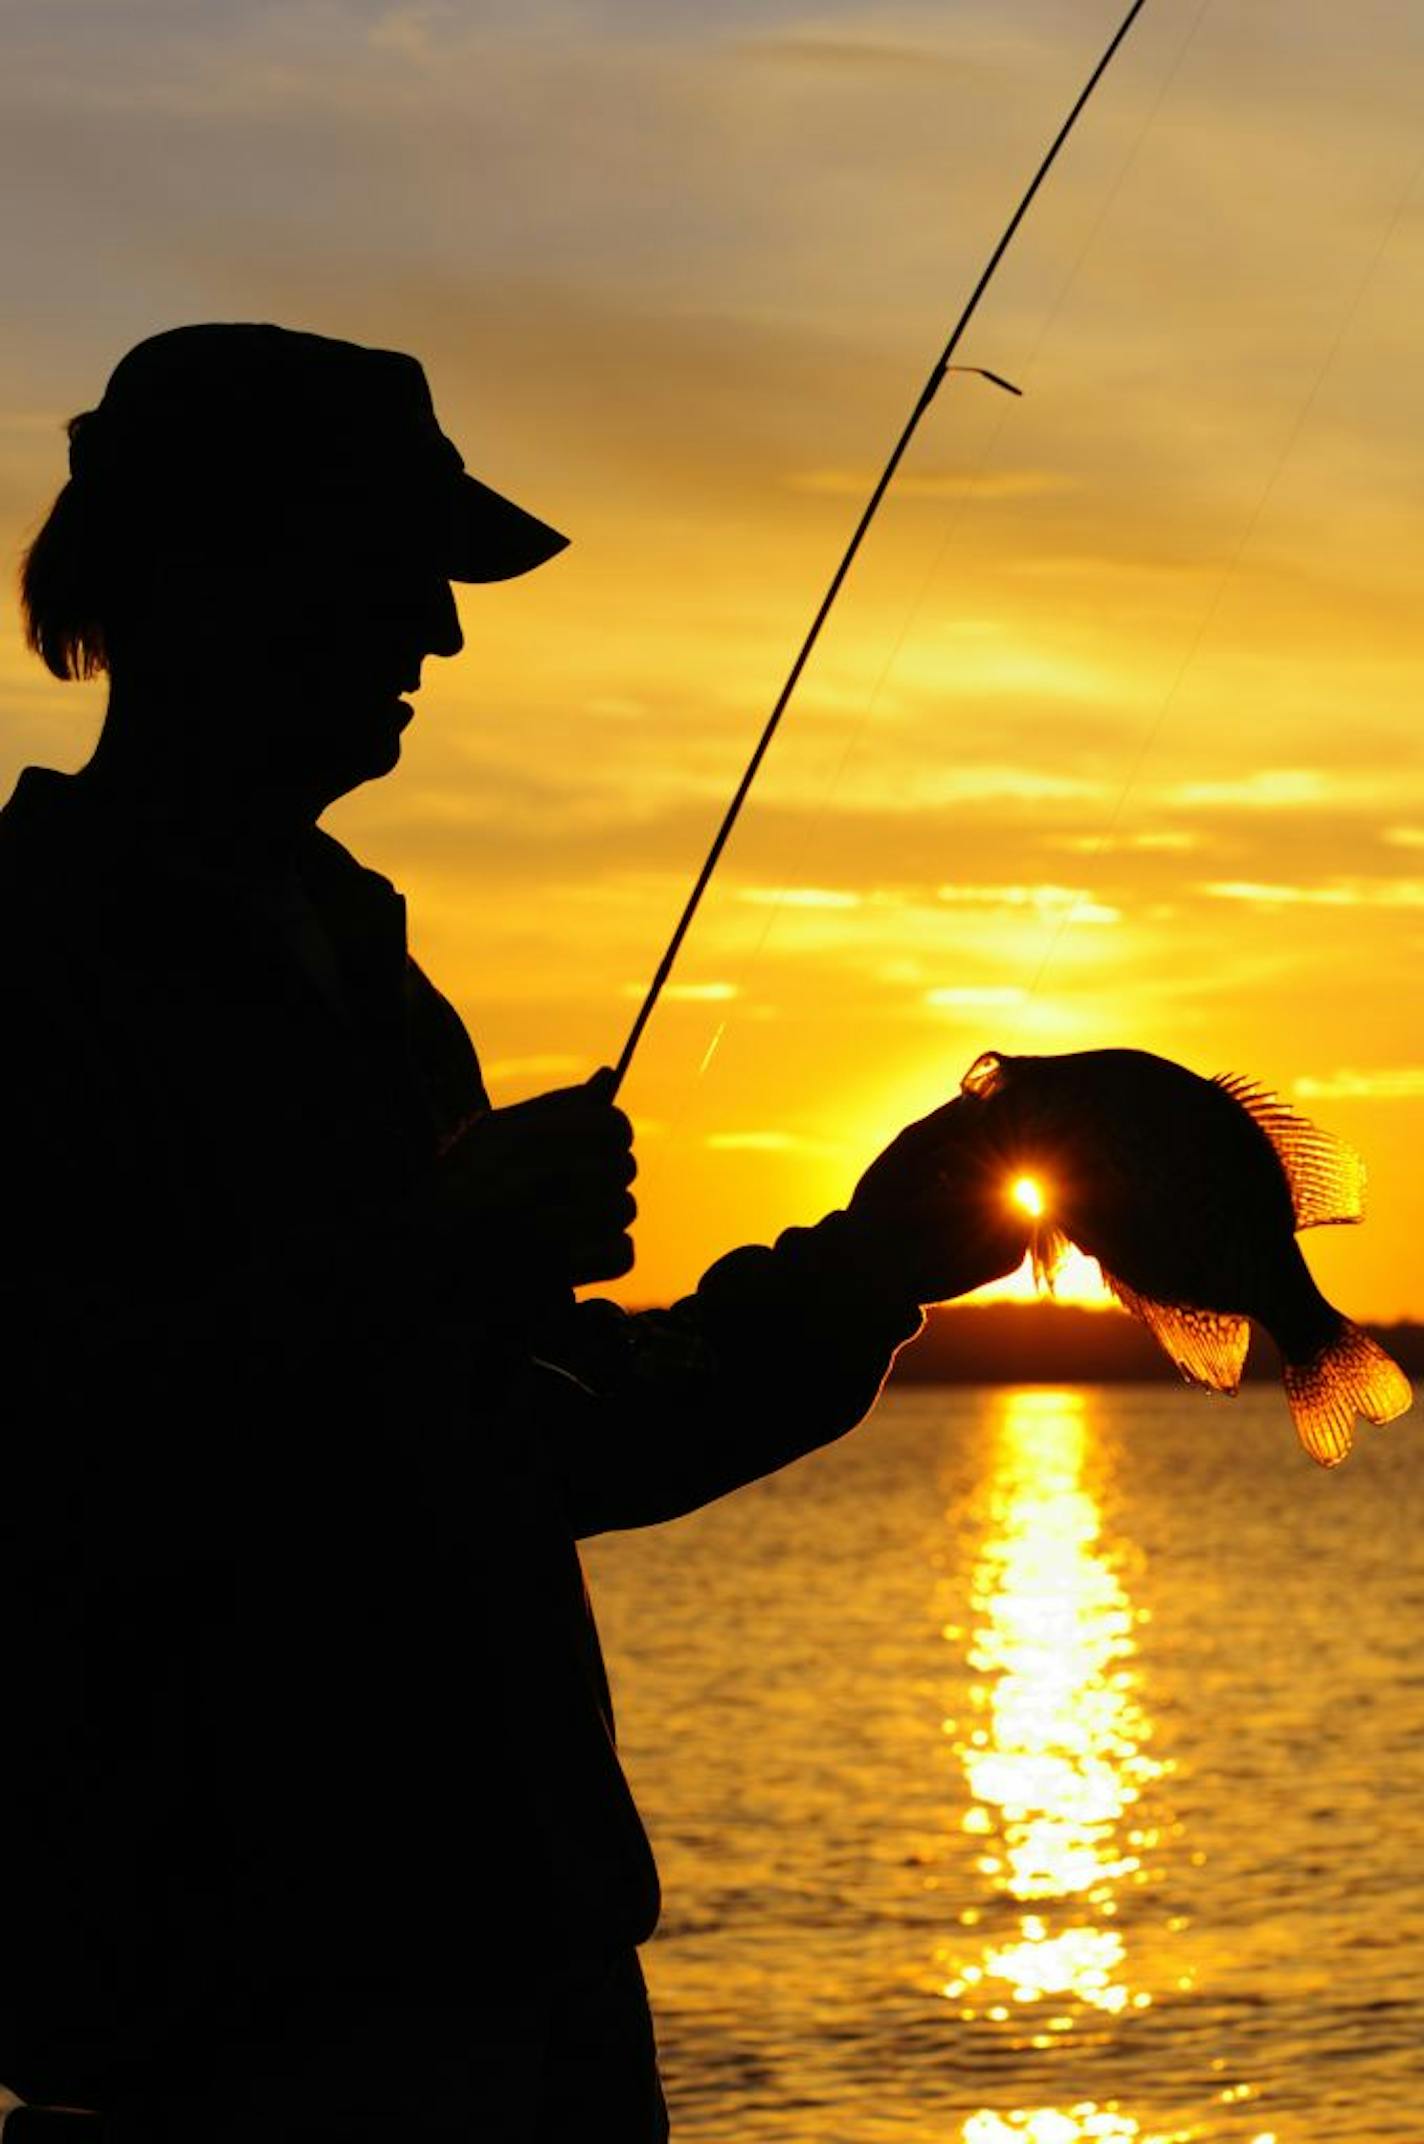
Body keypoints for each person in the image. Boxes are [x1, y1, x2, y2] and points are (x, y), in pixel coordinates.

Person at [0, 324, 1028, 2141]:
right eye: (393, 573)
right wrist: (424, 1254)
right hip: (221, 2044)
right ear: (202, 575)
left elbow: (522, 1437)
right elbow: (57, 1454)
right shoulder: (22, 967)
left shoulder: (378, 984)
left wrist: (869, 1268)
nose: (441, 635)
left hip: (533, 1989)